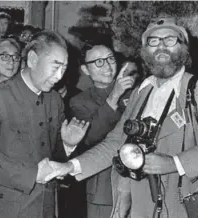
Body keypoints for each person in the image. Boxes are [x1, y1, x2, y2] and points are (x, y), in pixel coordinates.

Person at [44, 17, 198, 218]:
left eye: (170, 40)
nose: (161, 46)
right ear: (145, 51)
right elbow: (115, 143)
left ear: (183, 48)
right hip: (140, 207)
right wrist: (71, 166)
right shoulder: (142, 92)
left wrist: (174, 163)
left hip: (185, 205)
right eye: (153, 41)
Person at [0, 30, 89, 218]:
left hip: (45, 205)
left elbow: (52, 158)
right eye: (55, 67)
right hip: (5, 207)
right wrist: (32, 174)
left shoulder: (54, 100)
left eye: (64, 69)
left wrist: (67, 144)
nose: (59, 76)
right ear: (33, 60)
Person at [68, 41, 135, 218]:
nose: (107, 66)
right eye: (98, 61)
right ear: (85, 69)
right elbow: (91, 138)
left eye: (110, 58)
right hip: (103, 187)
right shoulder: (79, 101)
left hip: (138, 183)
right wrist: (114, 95)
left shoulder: (135, 93)